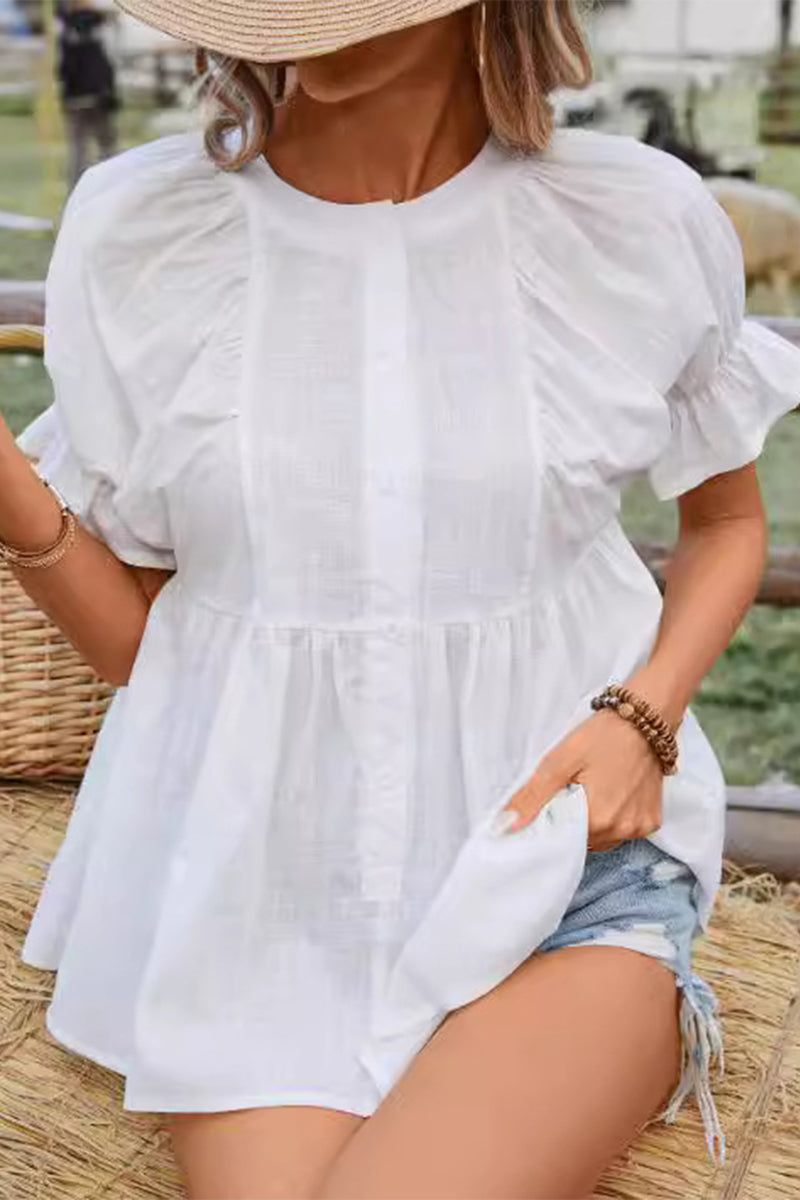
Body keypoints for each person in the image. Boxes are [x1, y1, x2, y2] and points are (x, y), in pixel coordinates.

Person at [1, 2, 799, 1196]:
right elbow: (156, 657)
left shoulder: (631, 218)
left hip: (558, 875)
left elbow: (726, 524)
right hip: (259, 904)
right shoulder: (142, 233)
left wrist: (643, 718)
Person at [56, 0, 118, 188]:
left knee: (83, 148)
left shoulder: (64, 26)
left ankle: (82, 188)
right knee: (100, 147)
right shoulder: (93, 25)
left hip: (82, 95)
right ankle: (107, 186)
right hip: (91, 94)